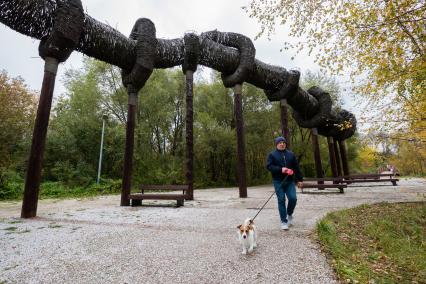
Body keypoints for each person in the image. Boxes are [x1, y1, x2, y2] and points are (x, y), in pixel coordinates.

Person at [266, 136, 303, 230]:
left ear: (285, 144)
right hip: (278, 181)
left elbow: (296, 167)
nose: (282, 144)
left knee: (293, 198)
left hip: (290, 181)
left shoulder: (291, 154)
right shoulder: (272, 155)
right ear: (276, 144)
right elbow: (269, 167)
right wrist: (280, 169)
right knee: (281, 200)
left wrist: (299, 180)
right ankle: (283, 221)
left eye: (283, 142)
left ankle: (289, 214)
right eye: (280, 143)